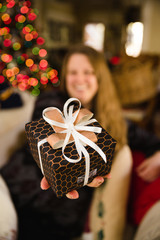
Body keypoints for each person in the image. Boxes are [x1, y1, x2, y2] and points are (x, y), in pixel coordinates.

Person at [1, 44, 132, 240]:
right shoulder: (50, 101)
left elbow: (149, 142)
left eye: (88, 72)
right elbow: (44, 127)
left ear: (100, 77)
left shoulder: (115, 119)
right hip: (21, 192)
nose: (79, 79)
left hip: (65, 215)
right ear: (65, 76)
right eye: (73, 72)